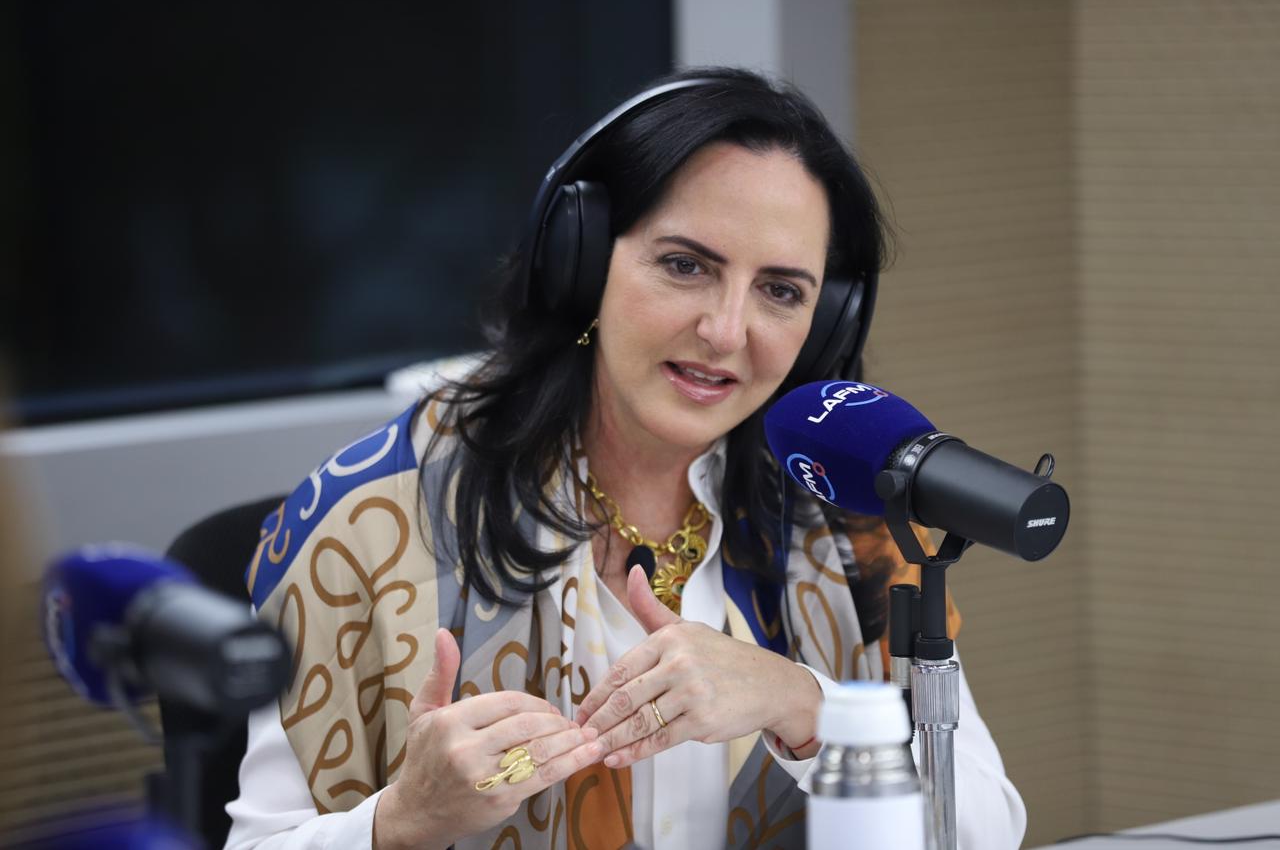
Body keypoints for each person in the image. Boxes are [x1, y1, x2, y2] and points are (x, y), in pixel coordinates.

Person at [225, 67, 1026, 849]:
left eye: (781, 291)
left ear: (824, 324)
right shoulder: (372, 519)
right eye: (686, 265)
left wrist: (805, 705)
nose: (726, 331)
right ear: (583, 264)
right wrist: (403, 821)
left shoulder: (844, 508)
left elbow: (986, 827)